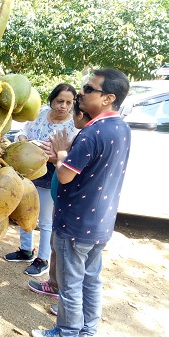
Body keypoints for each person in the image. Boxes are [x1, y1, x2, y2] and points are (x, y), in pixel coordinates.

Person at [32, 68, 131, 337]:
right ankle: (87, 331)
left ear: (108, 98)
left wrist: (62, 154)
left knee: (71, 284)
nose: (81, 93)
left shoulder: (91, 134)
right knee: (91, 281)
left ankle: (66, 332)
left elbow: (64, 176)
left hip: (75, 223)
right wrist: (63, 155)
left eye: (89, 89)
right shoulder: (121, 128)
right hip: (100, 223)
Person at [5, 84, 79, 277]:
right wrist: (23, 140)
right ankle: (26, 250)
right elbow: (23, 131)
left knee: (45, 220)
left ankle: (43, 259)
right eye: (60, 101)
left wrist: (52, 156)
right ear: (52, 100)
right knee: (24, 212)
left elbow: (69, 155)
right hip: (26, 171)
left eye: (69, 103)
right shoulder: (41, 114)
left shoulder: (73, 126)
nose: (64, 106)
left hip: (50, 174)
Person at [28, 103, 94, 314]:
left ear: (81, 115)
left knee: (69, 262)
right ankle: (54, 284)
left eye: (72, 110)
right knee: (57, 247)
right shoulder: (83, 135)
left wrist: (60, 153)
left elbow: (67, 173)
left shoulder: (86, 138)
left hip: (71, 209)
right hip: (63, 203)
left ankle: (67, 310)